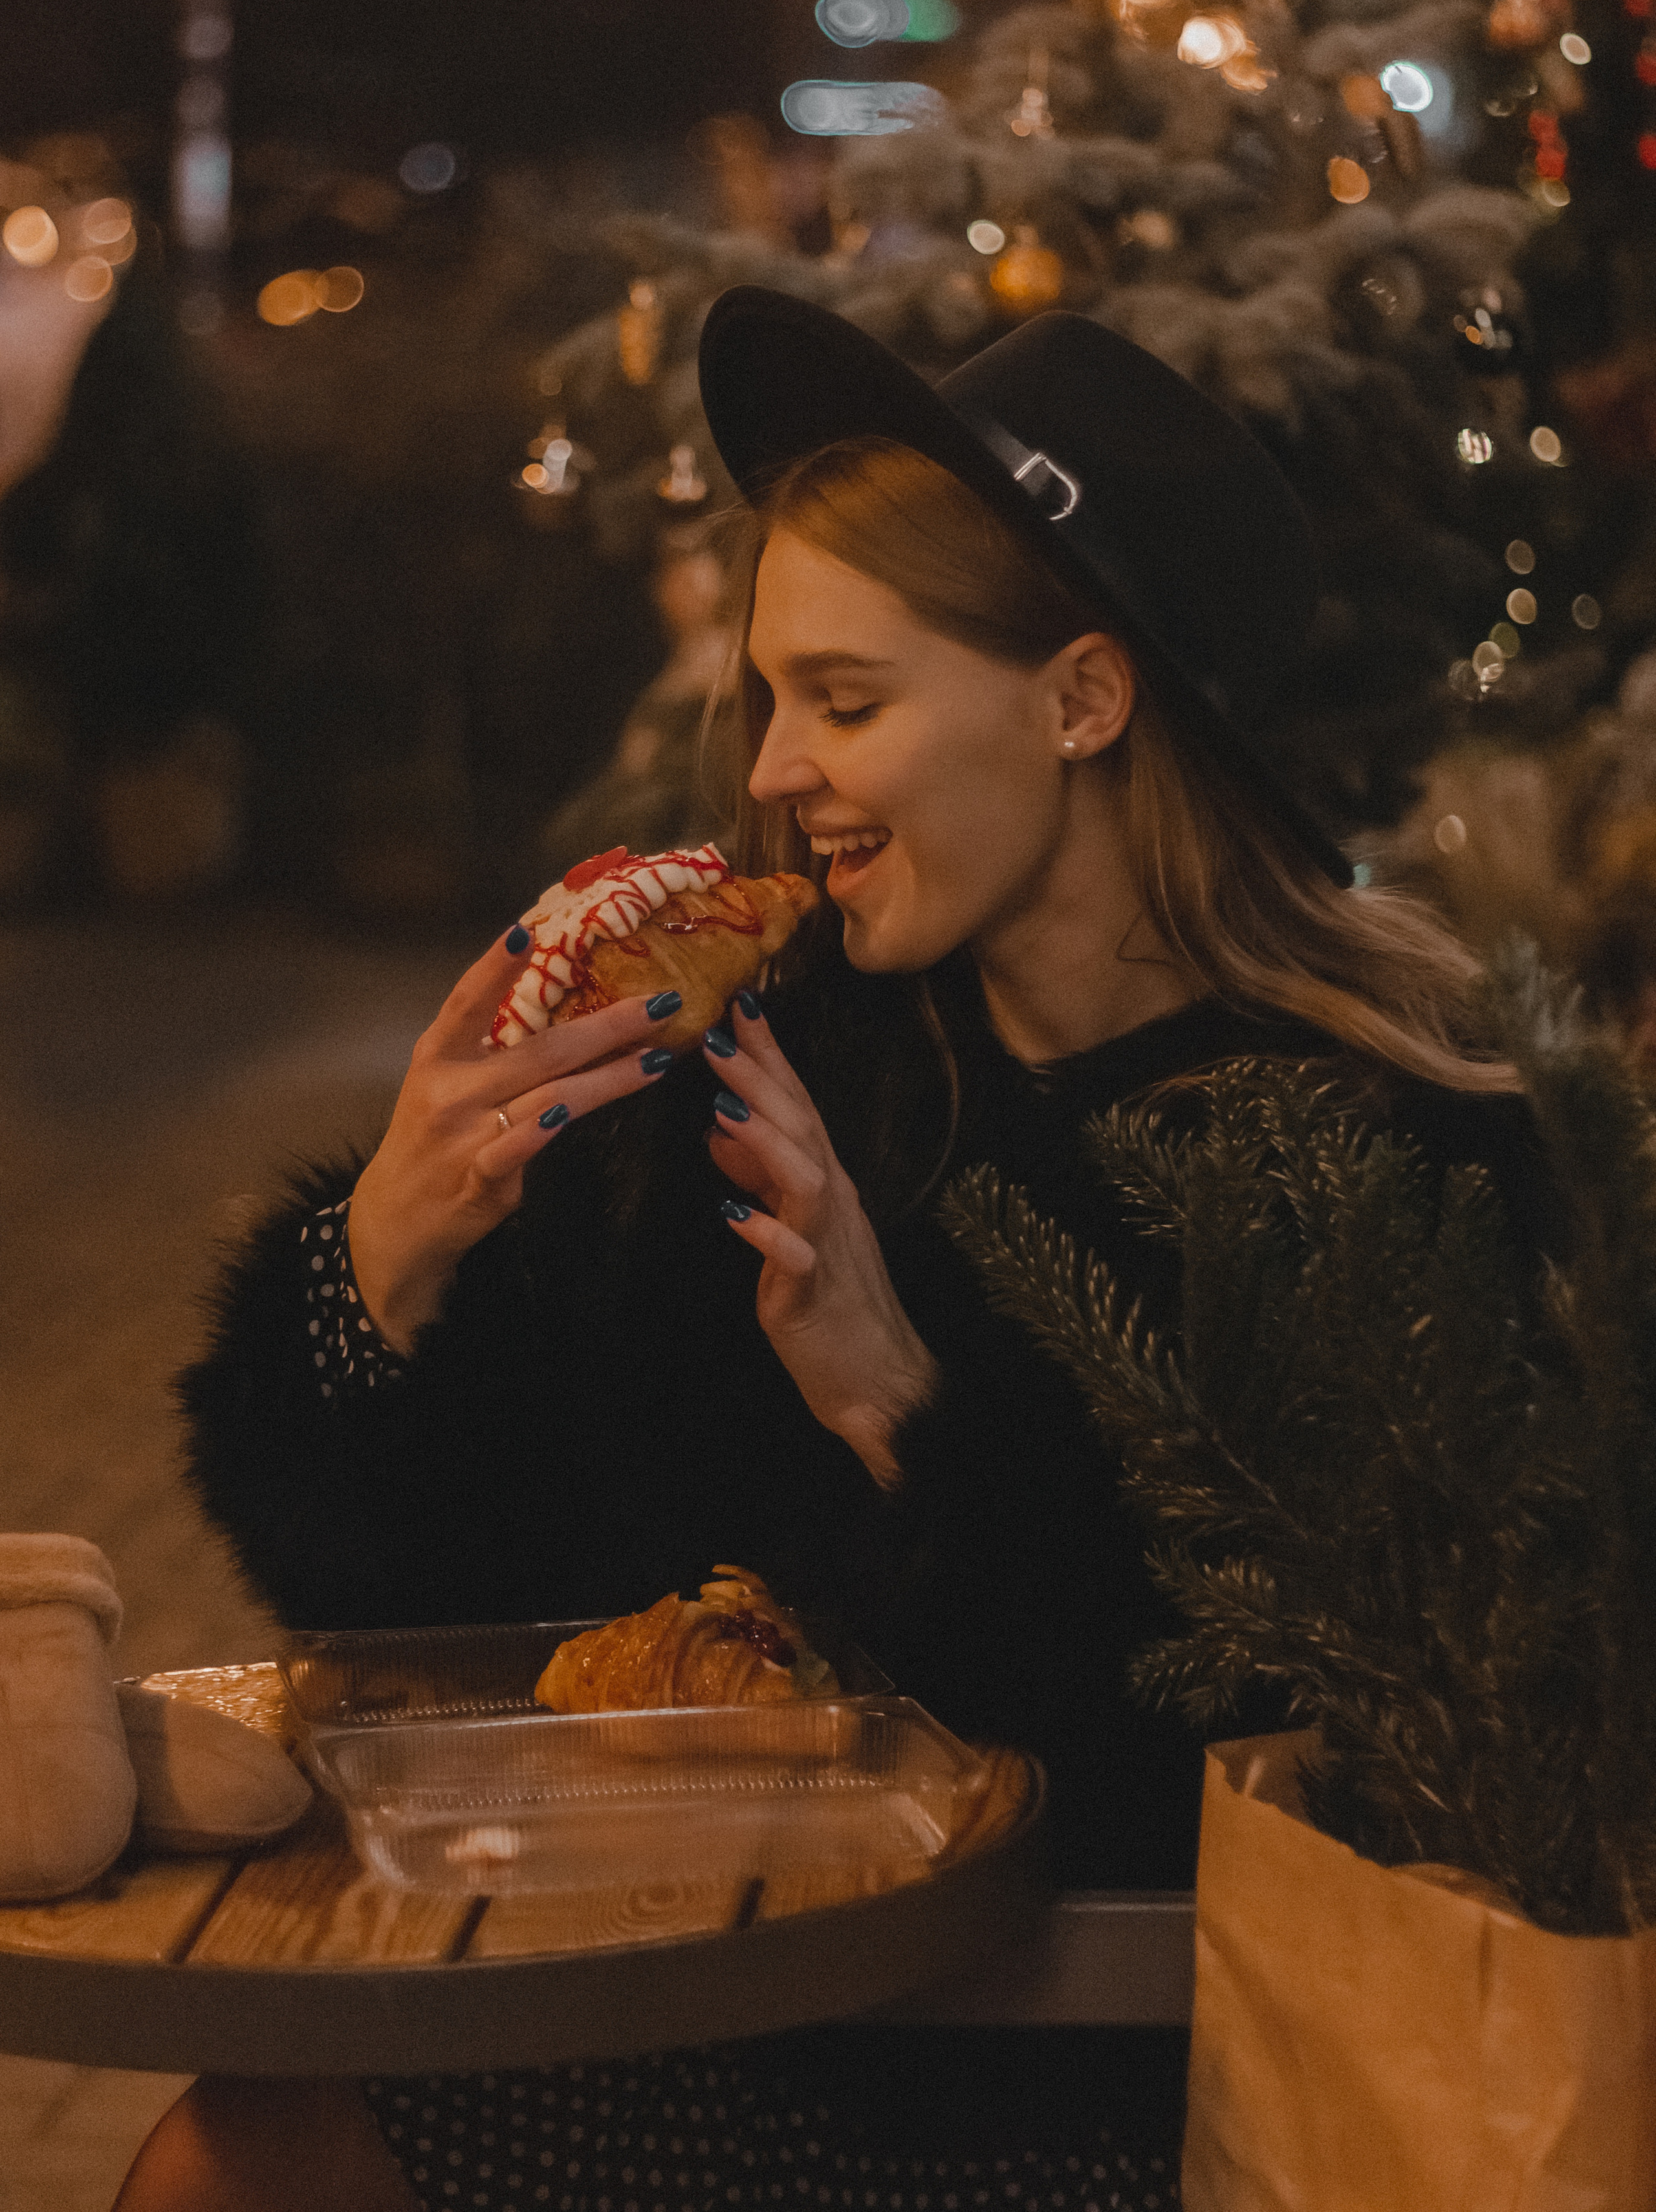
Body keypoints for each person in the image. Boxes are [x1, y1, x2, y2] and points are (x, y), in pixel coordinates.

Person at [120, 294, 1547, 2211]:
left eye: (849, 701)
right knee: (247, 2143)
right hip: (749, 2021)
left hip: (1130, 2094)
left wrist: (907, 1413)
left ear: (1082, 700)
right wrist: (387, 1259)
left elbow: (1363, 1775)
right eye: (770, 693)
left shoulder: (1385, 1150)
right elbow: (457, 1604)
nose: (776, 767)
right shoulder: (784, 1065)